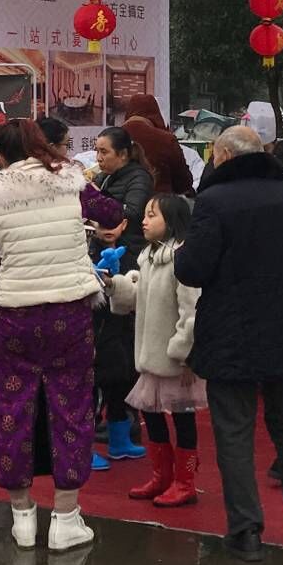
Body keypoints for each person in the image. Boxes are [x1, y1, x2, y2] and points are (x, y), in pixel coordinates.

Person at [175, 126, 283, 562]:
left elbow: (192, 269)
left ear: (223, 155)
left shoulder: (214, 201)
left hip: (232, 329)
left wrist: (184, 249)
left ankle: (246, 529)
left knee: (234, 430)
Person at [0, 117, 103, 552]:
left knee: (14, 407)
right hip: (70, 311)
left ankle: (22, 517)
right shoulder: (71, 181)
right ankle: (66, 518)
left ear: (1, 155)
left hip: (15, 314)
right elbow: (111, 212)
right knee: (72, 406)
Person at [105, 194, 206, 506]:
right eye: (146, 214)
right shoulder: (148, 257)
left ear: (171, 220)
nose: (144, 221)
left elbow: (192, 311)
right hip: (151, 357)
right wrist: (116, 286)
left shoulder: (182, 258)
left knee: (183, 419)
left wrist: (184, 353)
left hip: (177, 361)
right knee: (152, 415)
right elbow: (138, 298)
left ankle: (185, 482)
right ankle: (162, 476)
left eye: (153, 215)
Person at [91, 125, 154, 465]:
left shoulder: (137, 178)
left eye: (104, 152)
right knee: (108, 352)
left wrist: (114, 225)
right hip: (106, 269)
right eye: (97, 151)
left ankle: (122, 427)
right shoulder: (104, 179)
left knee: (115, 349)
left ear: (124, 153)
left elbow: (130, 211)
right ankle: (114, 429)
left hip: (123, 272)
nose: (98, 157)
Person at [121, 95, 195, 197]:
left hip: (119, 201)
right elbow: (183, 182)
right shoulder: (166, 139)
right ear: (156, 113)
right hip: (160, 201)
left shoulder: (113, 137)